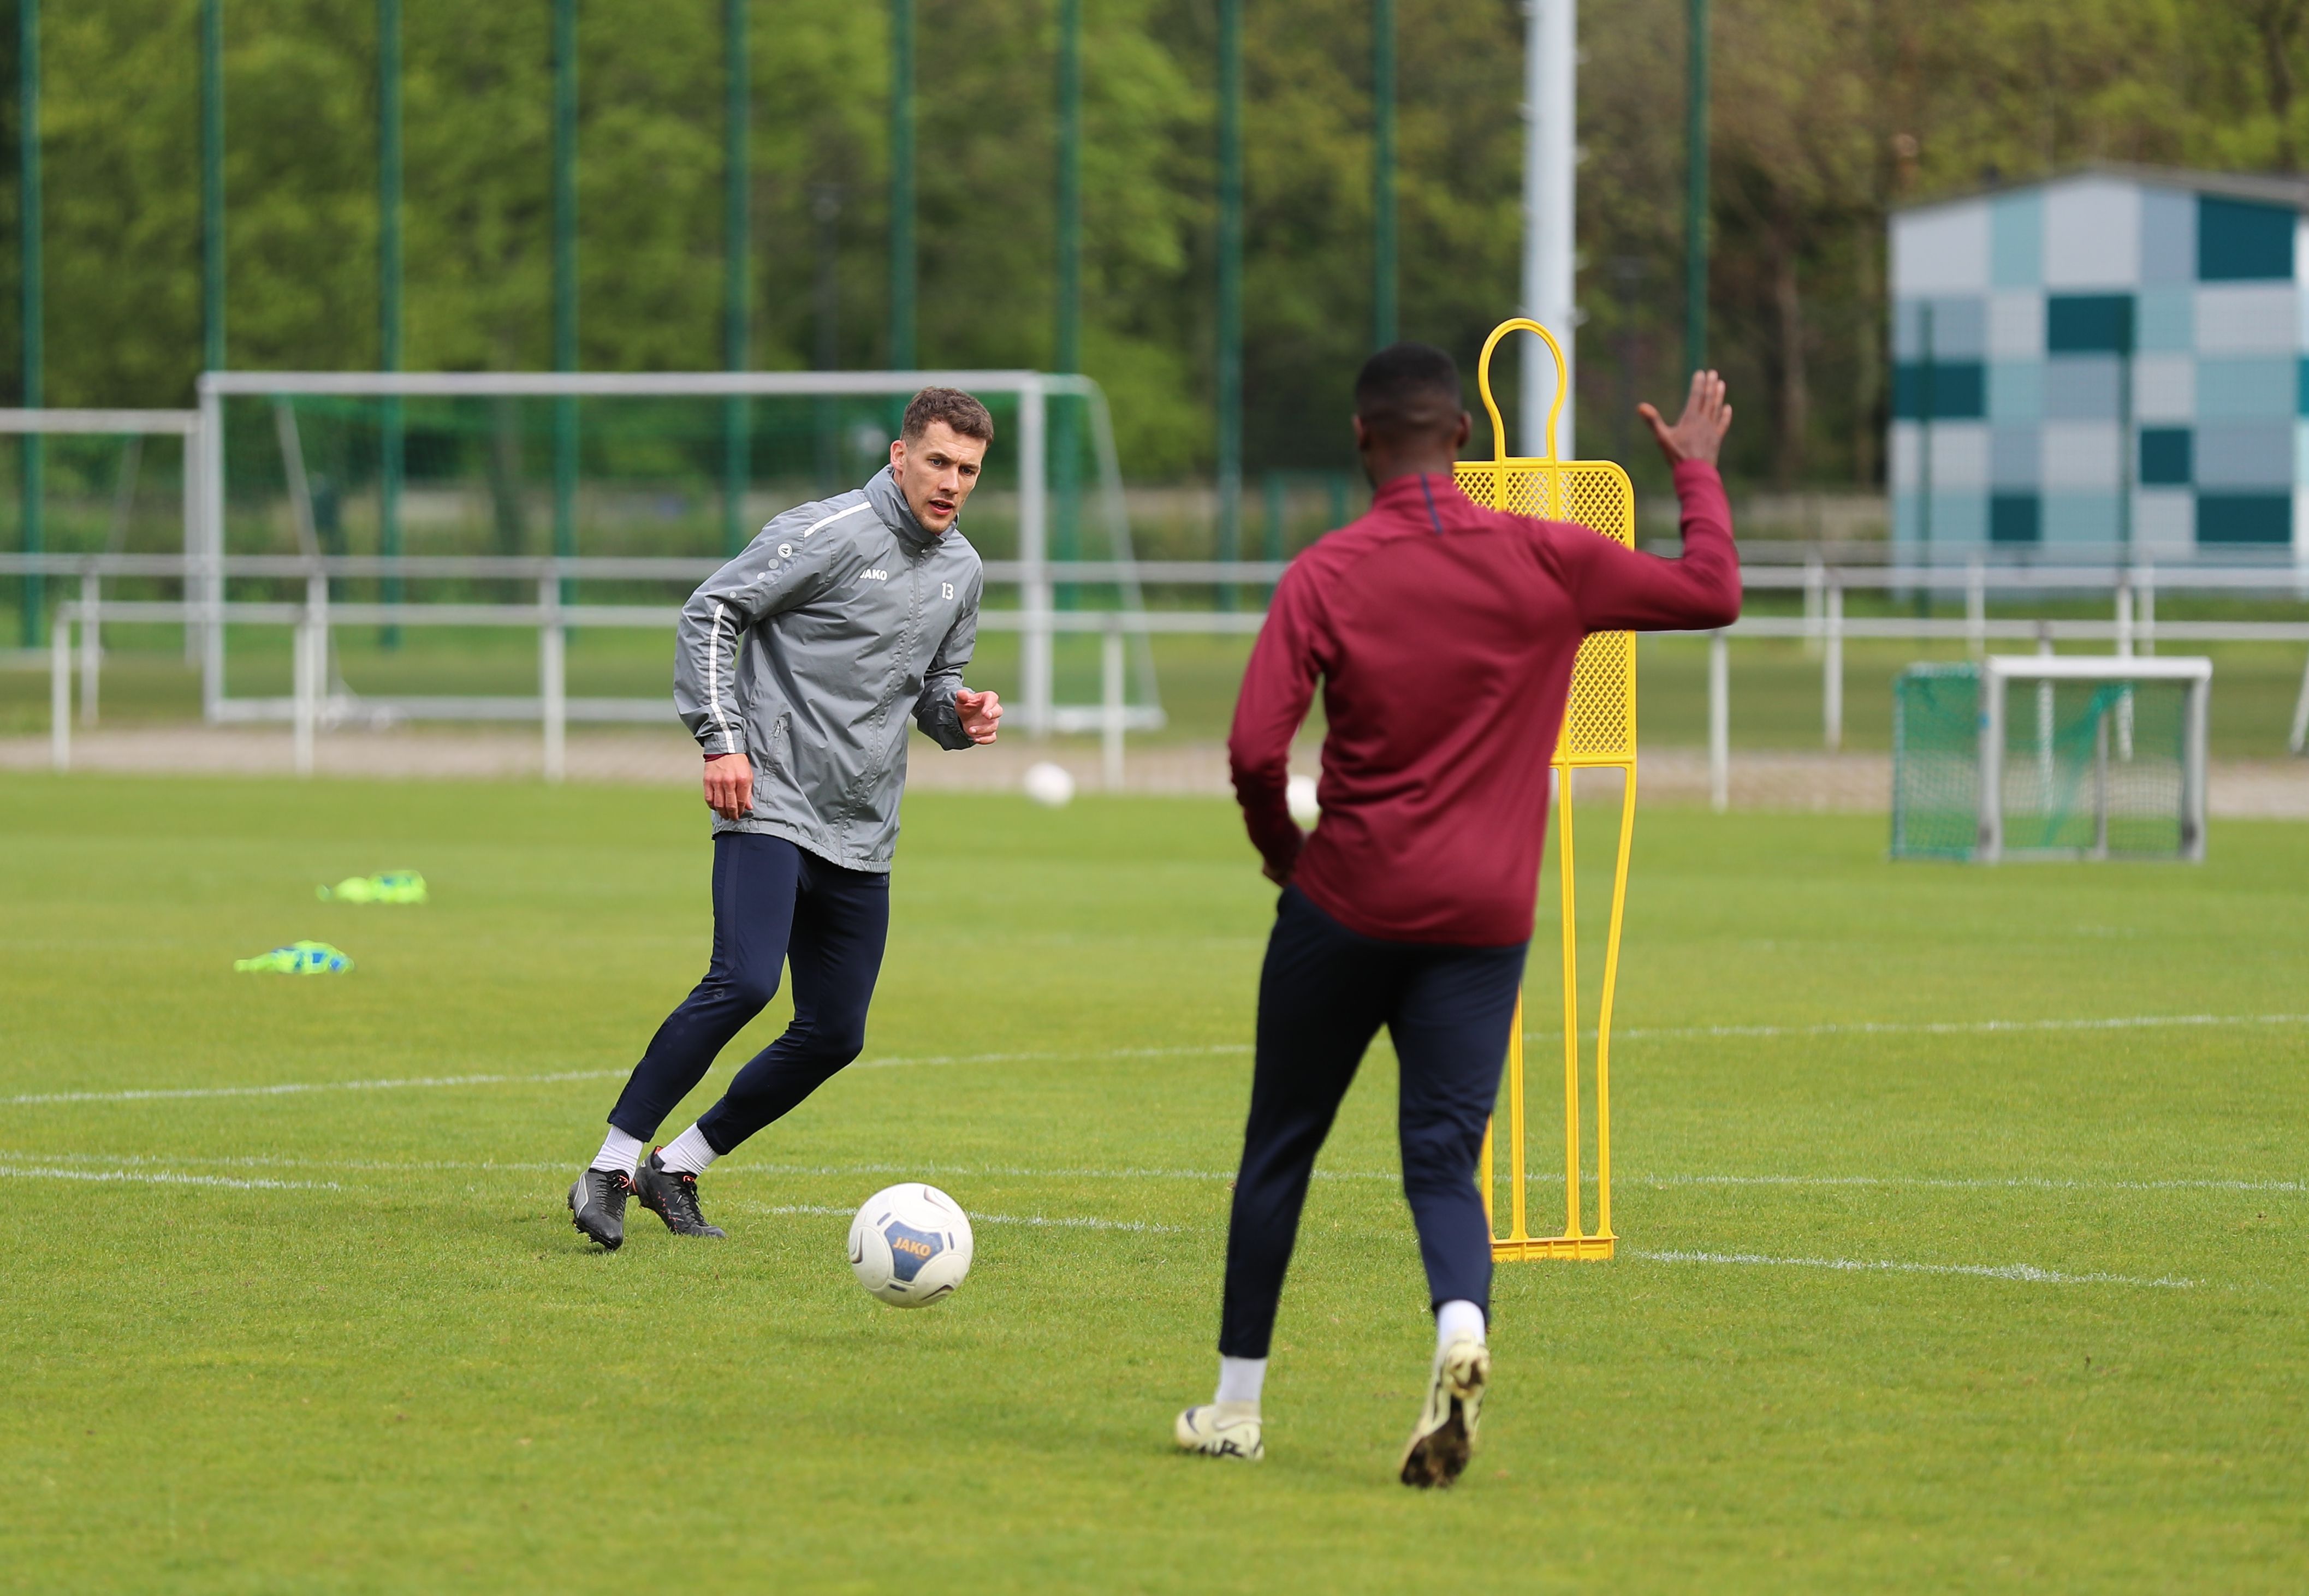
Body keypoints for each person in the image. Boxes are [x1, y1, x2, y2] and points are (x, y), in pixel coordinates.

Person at [1174, 344, 1741, 1484]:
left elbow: (1251, 750)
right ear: (1465, 441)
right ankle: (1460, 1331)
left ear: (1361, 439)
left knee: (1280, 1148)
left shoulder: (1328, 572)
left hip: (1344, 903)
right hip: (1484, 919)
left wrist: (1286, 856)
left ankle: (1234, 1410)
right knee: (1442, 1161)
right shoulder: (1551, 556)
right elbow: (1710, 592)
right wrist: (1693, 470)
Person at [567, 387, 1004, 1250]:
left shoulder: (964, 569)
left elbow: (933, 690)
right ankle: (609, 1167)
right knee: (744, 981)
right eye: (937, 462)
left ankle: (676, 1167)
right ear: (899, 456)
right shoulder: (828, 531)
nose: (951, 482)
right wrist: (722, 741)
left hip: (863, 824)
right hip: (767, 795)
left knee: (835, 1034)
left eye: (968, 470)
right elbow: (712, 611)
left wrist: (962, 716)